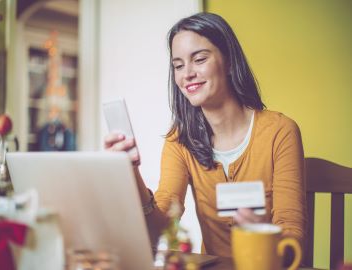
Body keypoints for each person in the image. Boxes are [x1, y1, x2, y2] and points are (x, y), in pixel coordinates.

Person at [104, 12, 306, 258]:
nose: (186, 73)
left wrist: (263, 232)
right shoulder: (179, 140)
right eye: (178, 66)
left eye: (199, 59)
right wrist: (131, 171)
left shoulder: (280, 131)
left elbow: (292, 233)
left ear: (229, 61)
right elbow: (162, 229)